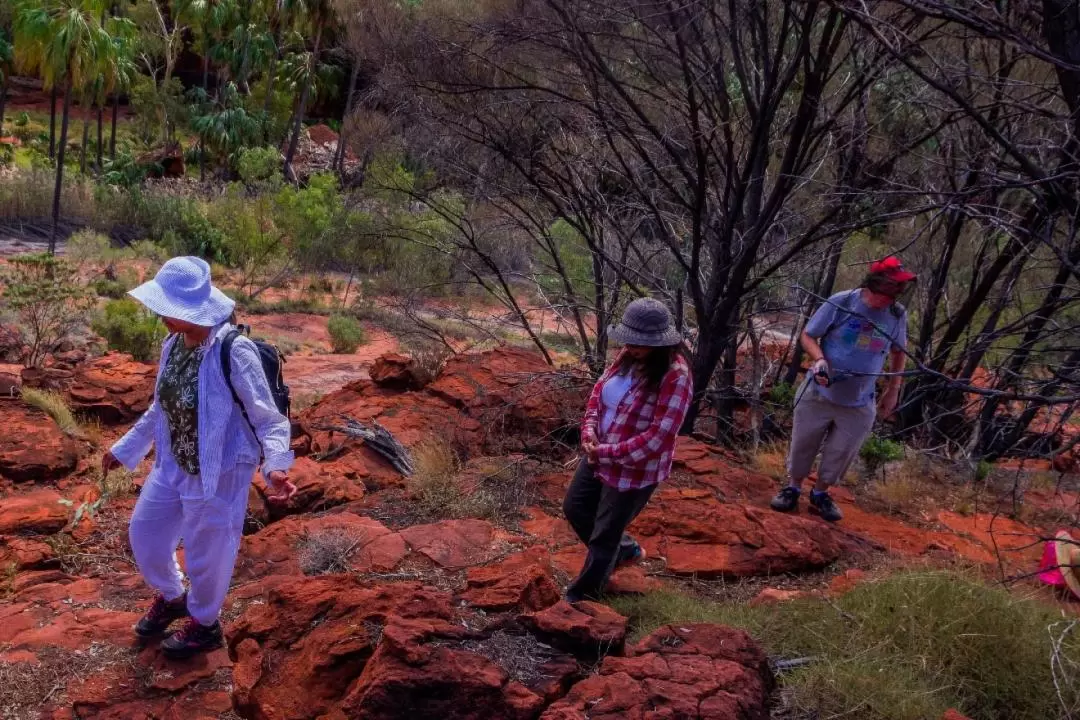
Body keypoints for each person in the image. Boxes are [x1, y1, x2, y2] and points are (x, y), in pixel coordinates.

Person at [101, 257, 297, 658]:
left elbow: (267, 417)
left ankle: (205, 623)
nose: (162, 317)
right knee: (146, 535)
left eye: (169, 310)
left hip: (220, 468)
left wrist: (276, 466)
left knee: (208, 554)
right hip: (174, 463)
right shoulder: (172, 345)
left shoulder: (234, 351)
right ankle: (173, 597)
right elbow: (160, 408)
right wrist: (125, 450)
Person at [563, 298, 693, 603]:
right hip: (599, 453)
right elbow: (599, 393)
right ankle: (624, 551)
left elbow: (658, 437)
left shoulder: (676, 374)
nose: (632, 347)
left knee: (604, 534)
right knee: (575, 507)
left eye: (641, 343)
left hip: (632, 470)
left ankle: (583, 597)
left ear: (660, 344)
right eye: (630, 340)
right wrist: (588, 431)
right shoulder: (628, 356)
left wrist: (605, 452)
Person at [770, 256, 916, 522]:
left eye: (898, 290)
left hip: (860, 400)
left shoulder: (897, 314)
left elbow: (898, 351)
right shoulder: (843, 302)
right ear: (874, 286)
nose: (894, 296)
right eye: (890, 290)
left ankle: (820, 493)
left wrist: (894, 388)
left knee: (842, 451)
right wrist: (820, 360)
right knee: (804, 443)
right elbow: (808, 335)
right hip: (819, 392)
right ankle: (792, 488)